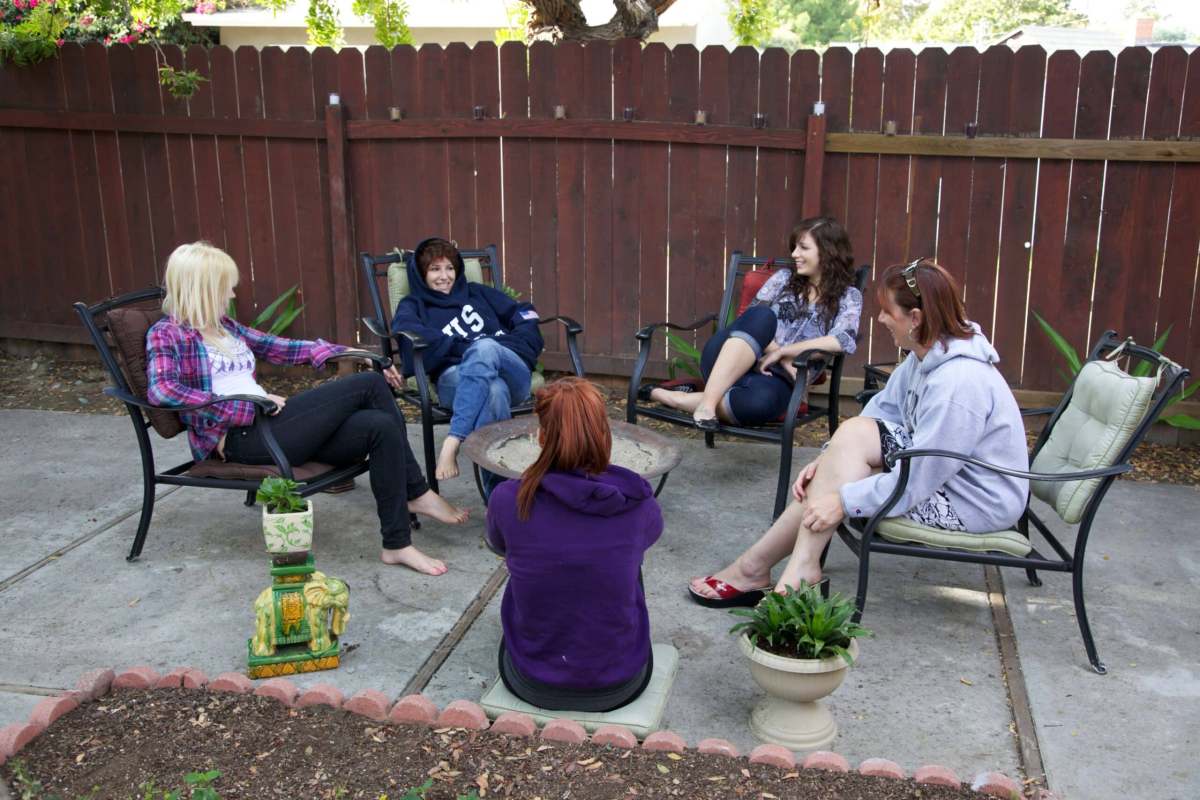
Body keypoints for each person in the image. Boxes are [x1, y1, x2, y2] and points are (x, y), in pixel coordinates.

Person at [688, 258, 1030, 607]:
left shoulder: (959, 384)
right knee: (841, 456)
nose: (880, 319)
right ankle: (771, 568)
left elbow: (924, 476)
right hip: (941, 472)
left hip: (973, 500)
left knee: (837, 482)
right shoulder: (925, 356)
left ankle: (768, 570)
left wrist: (844, 501)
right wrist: (827, 459)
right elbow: (882, 412)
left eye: (887, 311)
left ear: (915, 319)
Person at [146, 241, 468, 577]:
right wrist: (248, 406)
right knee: (371, 385)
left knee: (378, 426)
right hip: (241, 438)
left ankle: (397, 544)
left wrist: (348, 351)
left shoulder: (225, 327)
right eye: (225, 285)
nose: (231, 292)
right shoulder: (167, 334)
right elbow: (163, 391)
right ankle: (416, 491)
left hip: (273, 424)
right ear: (204, 287)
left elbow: (281, 347)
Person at [486, 378, 664, 711]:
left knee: (526, 559)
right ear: (605, 436)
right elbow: (650, 537)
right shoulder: (637, 500)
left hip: (531, 682)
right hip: (621, 683)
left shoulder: (508, 498)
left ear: (540, 436)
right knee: (628, 559)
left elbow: (499, 545)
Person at [644, 216, 862, 430]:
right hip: (728, 355)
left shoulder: (848, 296)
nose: (794, 254)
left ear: (827, 251)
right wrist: (781, 355)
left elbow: (841, 339)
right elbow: (751, 322)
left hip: (776, 379)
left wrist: (783, 354)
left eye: (803, 248)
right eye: (794, 247)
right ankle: (707, 405)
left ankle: (673, 397)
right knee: (762, 315)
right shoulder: (783, 279)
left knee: (759, 404)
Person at [390, 238, 544, 491]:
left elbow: (524, 312)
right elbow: (408, 332)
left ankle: (454, 439)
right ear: (420, 274)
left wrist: (513, 344)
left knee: (485, 347)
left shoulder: (478, 292)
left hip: (511, 372)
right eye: (435, 269)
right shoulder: (414, 305)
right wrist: (467, 349)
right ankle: (499, 495)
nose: (444, 276)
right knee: (492, 390)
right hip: (456, 378)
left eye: (449, 268)